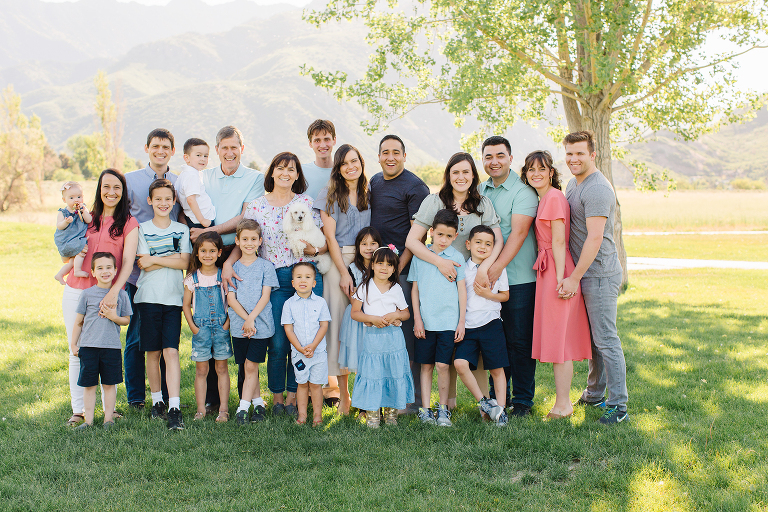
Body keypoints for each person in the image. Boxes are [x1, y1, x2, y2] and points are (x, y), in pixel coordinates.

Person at [405, 152, 503, 404]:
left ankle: (484, 402)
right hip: (438, 281)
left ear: (473, 175)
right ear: (448, 175)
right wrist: (439, 262)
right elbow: (412, 241)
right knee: (444, 339)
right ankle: (447, 402)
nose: (461, 177)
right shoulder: (434, 201)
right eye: (455, 172)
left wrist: (484, 268)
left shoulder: (483, 204)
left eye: (466, 172)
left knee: (471, 335)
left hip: (470, 279)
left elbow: (497, 240)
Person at [234, 152, 326, 417]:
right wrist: (229, 264)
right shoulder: (255, 207)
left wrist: (312, 250)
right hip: (272, 281)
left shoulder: (306, 202)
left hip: (305, 278)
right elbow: (245, 240)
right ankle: (276, 397)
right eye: (281, 168)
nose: (285, 173)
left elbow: (322, 242)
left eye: (291, 169)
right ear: (272, 172)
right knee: (277, 342)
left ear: (297, 175)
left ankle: (295, 397)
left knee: (304, 338)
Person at [192, 126, 265, 414]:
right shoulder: (204, 176)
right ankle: (212, 399)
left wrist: (228, 258)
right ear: (217, 150)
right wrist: (203, 238)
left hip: (238, 252)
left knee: (241, 319)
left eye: (234, 147)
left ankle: (246, 396)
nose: (230, 152)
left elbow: (245, 217)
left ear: (241, 149)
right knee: (210, 321)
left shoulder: (255, 178)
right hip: (206, 256)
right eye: (224, 147)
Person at [559, 130, 629, 425]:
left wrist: (574, 277)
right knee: (594, 340)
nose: (573, 159)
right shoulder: (573, 184)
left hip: (599, 273)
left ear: (592, 155)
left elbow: (595, 237)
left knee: (606, 340)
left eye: (580, 153)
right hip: (587, 273)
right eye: (569, 153)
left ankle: (619, 406)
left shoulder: (597, 189)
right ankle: (594, 393)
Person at [61, 168, 139, 427]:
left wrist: (115, 291)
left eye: (117, 187)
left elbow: (128, 262)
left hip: (107, 294)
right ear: (99, 189)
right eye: (106, 186)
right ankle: (79, 410)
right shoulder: (86, 218)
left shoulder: (129, 223)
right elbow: (65, 249)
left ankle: (108, 410)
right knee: (77, 350)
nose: (111, 192)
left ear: (123, 191)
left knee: (106, 350)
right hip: (77, 289)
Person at [521, 150, 592, 420]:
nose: (536, 173)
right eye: (531, 169)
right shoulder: (544, 198)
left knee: (560, 341)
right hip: (548, 268)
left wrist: (562, 278)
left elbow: (559, 241)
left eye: (542, 169)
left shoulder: (552, 198)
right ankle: (562, 403)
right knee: (556, 338)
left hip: (556, 269)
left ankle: (563, 405)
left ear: (551, 172)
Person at [479, 135, 539, 417]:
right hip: (487, 280)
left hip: (518, 279)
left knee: (519, 342)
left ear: (511, 158)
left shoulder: (523, 192)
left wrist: (494, 269)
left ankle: (523, 400)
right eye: (488, 156)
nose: (494, 162)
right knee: (496, 341)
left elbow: (519, 233)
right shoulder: (480, 190)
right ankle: (497, 397)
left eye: (500, 156)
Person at [369, 134, 429, 414]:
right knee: (383, 332)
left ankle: (411, 399)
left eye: (396, 152)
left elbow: (419, 235)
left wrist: (398, 270)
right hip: (378, 271)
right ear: (378, 156)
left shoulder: (415, 187)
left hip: (402, 271)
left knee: (405, 335)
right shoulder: (375, 182)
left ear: (405, 156)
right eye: (385, 152)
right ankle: (384, 395)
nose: (390, 157)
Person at [124, 128, 181, 410]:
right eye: (155, 146)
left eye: (165, 147)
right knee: (137, 337)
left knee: (166, 341)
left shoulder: (179, 183)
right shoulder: (130, 181)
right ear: (147, 148)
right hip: (137, 274)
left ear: (172, 151)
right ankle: (136, 396)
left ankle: (167, 396)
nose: (160, 151)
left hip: (169, 275)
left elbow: (183, 221)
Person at [315, 144, 371, 414]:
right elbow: (330, 238)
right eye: (345, 163)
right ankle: (344, 395)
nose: (351, 167)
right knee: (339, 327)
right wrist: (344, 272)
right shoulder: (328, 194)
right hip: (339, 262)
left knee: (365, 326)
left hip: (367, 261)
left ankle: (365, 394)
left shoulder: (369, 192)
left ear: (361, 163)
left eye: (355, 161)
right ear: (338, 168)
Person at [134, 179, 191, 430]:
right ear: (150, 201)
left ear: (174, 201)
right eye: (158, 199)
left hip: (173, 298)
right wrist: (172, 256)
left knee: (171, 351)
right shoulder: (142, 229)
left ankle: (174, 406)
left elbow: (185, 262)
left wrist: (156, 258)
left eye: (168, 199)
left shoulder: (181, 229)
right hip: (148, 296)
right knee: (153, 352)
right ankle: (157, 401)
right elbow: (143, 264)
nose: (163, 203)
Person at [409, 209, 466, 427]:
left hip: (448, 323)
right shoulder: (421, 256)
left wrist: (461, 322)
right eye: (440, 234)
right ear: (431, 231)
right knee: (426, 366)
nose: (443, 240)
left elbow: (462, 291)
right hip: (425, 322)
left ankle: (443, 410)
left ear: (455, 236)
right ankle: (425, 410)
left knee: (443, 366)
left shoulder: (457, 258)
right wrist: (417, 319)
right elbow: (415, 290)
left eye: (449, 236)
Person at [350, 246, 414, 428]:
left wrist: (396, 315)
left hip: (393, 339)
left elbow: (406, 313)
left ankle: (391, 415)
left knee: (393, 373)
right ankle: (373, 415)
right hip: (374, 339)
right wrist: (372, 319)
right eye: (380, 263)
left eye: (389, 264)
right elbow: (355, 313)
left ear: (394, 269)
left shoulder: (396, 288)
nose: (384, 268)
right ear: (372, 265)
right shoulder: (364, 288)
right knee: (374, 374)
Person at [454, 225, 510, 426]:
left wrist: (488, 295)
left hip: (491, 323)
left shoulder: (496, 269)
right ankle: (485, 403)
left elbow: (505, 295)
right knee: (460, 363)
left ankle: (501, 411)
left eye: (488, 244)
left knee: (496, 369)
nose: (483, 247)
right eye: (478, 242)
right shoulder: (462, 269)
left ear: (493, 248)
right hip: (468, 325)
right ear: (468, 244)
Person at [68, 252, 132, 429]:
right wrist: (74, 344)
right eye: (100, 268)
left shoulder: (121, 295)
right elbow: (79, 322)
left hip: (111, 347)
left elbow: (126, 320)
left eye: (109, 267)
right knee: (89, 386)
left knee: (109, 384)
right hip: (88, 347)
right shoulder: (87, 295)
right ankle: (88, 421)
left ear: (116, 270)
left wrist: (113, 316)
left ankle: (108, 419)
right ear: (93, 272)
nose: (105, 271)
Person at [227, 219, 279, 425]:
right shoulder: (233, 268)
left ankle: (242, 409)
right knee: (249, 367)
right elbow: (231, 299)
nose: (249, 243)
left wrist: (251, 319)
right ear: (237, 241)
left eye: (253, 239)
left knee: (251, 365)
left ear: (260, 241)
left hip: (261, 325)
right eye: (245, 239)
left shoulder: (266, 266)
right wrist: (245, 320)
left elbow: (265, 296)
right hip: (239, 326)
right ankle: (258, 404)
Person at [182, 231, 233, 423]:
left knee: (222, 368)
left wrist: (227, 324)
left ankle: (224, 409)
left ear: (219, 253)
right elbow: (186, 305)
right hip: (201, 330)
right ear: (197, 253)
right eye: (203, 251)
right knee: (201, 370)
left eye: (212, 251)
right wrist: (193, 327)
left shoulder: (223, 276)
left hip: (221, 328)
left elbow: (231, 301)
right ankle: (201, 409)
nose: (207, 255)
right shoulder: (192, 278)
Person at [282, 262, 332, 426]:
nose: (303, 280)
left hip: (318, 353)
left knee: (316, 385)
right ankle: (302, 415)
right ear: (293, 283)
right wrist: (299, 347)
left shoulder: (320, 302)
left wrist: (313, 345)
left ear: (314, 283)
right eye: (299, 277)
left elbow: (324, 326)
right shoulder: (289, 304)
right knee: (302, 384)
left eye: (307, 277)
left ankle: (317, 416)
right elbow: (289, 329)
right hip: (299, 354)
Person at [337, 227, 382, 375]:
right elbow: (352, 297)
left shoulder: (383, 267)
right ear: (358, 246)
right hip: (359, 317)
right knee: (360, 354)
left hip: (379, 315)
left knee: (376, 356)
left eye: (373, 243)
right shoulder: (352, 268)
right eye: (364, 244)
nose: (369, 247)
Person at [54, 181, 93, 284]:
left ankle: (60, 274)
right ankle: (77, 271)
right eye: (71, 198)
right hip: (67, 239)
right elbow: (59, 226)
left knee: (72, 262)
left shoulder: (83, 209)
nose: (76, 200)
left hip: (76, 238)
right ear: (64, 200)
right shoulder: (63, 213)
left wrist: (83, 211)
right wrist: (66, 222)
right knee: (81, 250)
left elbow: (89, 220)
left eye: (79, 197)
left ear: (83, 197)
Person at [176, 137, 216, 229]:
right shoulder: (191, 175)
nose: (203, 159)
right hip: (200, 220)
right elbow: (191, 200)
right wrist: (202, 220)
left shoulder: (183, 174)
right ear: (186, 158)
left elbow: (178, 196)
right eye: (198, 155)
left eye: (205, 156)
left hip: (194, 218)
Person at [302, 119, 337, 200]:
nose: (322, 145)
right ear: (310, 143)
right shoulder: (301, 172)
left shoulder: (343, 172)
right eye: (317, 140)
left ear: (334, 140)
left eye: (327, 139)